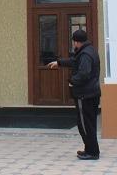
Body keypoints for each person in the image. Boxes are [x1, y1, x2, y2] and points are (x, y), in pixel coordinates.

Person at [46, 29, 101, 160]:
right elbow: (74, 61)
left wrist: (72, 81)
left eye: (74, 42)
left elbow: (84, 74)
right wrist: (59, 62)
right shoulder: (89, 50)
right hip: (91, 93)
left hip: (85, 95)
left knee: (84, 125)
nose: (73, 44)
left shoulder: (85, 54)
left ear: (76, 42)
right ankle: (90, 149)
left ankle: (92, 152)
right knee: (89, 123)